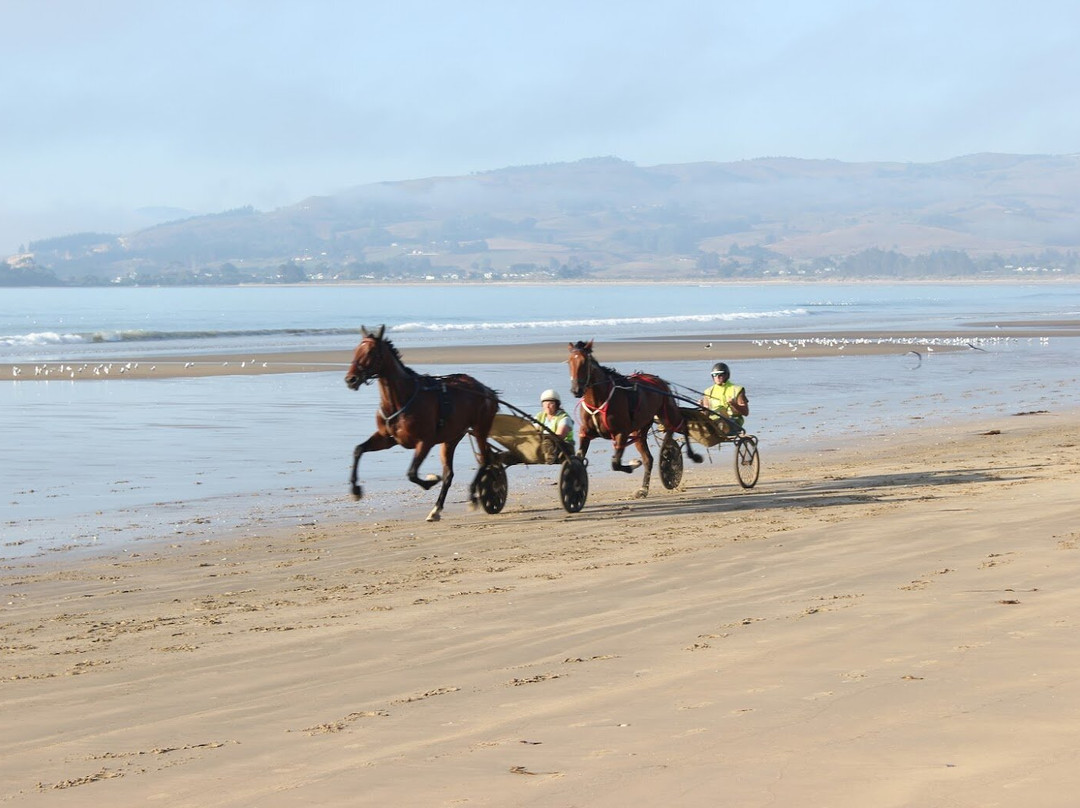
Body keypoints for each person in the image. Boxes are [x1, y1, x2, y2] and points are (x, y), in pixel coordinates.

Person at [700, 362, 749, 426]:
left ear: (727, 375)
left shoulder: (737, 390)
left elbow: (745, 412)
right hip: (713, 421)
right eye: (714, 375)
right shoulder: (708, 391)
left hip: (733, 421)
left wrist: (734, 404)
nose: (717, 377)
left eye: (720, 374)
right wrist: (702, 408)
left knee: (721, 424)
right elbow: (705, 415)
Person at [535, 389, 574, 463]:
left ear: (557, 405)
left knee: (547, 442)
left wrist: (541, 436)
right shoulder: (539, 416)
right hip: (542, 446)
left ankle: (549, 456)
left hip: (563, 447)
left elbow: (559, 436)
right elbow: (533, 431)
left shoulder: (564, 418)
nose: (547, 406)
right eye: (545, 403)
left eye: (551, 403)